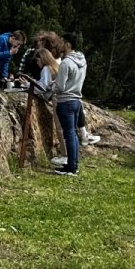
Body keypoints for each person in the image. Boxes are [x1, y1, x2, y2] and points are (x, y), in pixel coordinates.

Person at [49, 33, 87, 177]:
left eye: (62, 42)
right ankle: (74, 163)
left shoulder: (65, 63)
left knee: (69, 134)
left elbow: (60, 87)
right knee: (74, 134)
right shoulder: (82, 60)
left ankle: (71, 167)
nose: (60, 44)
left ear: (68, 45)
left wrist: (51, 87)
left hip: (65, 101)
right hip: (77, 100)